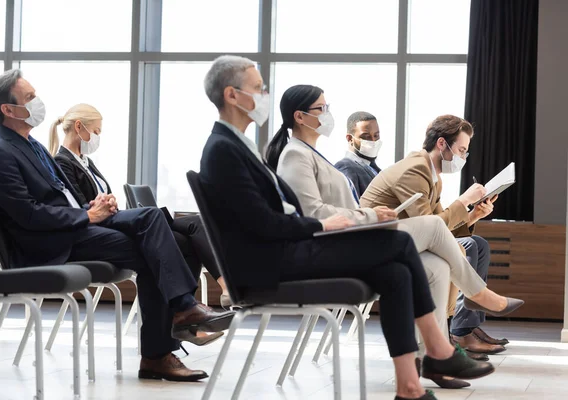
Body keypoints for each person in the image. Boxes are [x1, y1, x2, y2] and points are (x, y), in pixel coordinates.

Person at [199, 55, 496, 400]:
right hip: (269, 264)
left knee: (396, 274)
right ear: (232, 95)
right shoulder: (223, 149)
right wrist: (322, 222)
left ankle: (410, 387)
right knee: (399, 245)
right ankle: (439, 352)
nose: (264, 94)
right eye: (257, 88)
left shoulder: (238, 145)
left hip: (282, 251)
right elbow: (262, 223)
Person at [0, 69, 234, 382]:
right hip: (52, 243)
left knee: (165, 231)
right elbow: (28, 215)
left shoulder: (31, 146)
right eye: (30, 98)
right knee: (157, 246)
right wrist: (87, 216)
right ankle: (167, 340)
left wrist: (93, 207)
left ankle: (180, 321)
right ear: (8, 109)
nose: (38, 102)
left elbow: (63, 200)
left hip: (76, 226)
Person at [267, 84, 525, 389]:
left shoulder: (312, 155)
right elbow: (315, 214)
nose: (328, 114)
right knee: (431, 227)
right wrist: (373, 216)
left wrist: (469, 215)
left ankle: (431, 360)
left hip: (353, 238)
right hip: (337, 246)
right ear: (300, 116)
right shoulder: (295, 155)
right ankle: (478, 294)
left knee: (438, 267)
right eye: (321, 109)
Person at [360, 114, 524, 357]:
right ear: (441, 144)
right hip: (372, 244)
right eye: (461, 150)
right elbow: (432, 225)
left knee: (444, 261)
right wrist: (463, 201)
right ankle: (476, 296)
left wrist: (473, 215)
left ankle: (439, 350)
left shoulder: (432, 175)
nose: (463, 158)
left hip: (400, 241)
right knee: (454, 251)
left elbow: (440, 231)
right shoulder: (415, 170)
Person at [47, 103, 233, 309]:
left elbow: (100, 196)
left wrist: (110, 200)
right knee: (168, 225)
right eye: (96, 131)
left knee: (195, 225)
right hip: (99, 226)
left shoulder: (85, 162)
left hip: (110, 218)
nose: (98, 137)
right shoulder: (62, 161)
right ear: (79, 127)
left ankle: (215, 293)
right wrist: (102, 205)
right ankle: (193, 303)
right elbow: (80, 206)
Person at [334, 111, 382, 195]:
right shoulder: (346, 167)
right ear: (350, 139)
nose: (373, 141)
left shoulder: (373, 168)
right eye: (366, 137)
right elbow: (349, 206)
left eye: (376, 135)